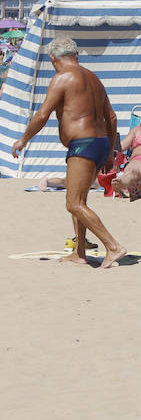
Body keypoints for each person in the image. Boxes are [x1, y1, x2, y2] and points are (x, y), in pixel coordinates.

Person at [11, 38, 126, 269]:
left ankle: (113, 247)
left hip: (84, 144)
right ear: (76, 55)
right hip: (102, 141)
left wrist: (23, 139)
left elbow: (43, 114)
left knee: (73, 203)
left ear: (52, 58)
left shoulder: (62, 77)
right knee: (79, 198)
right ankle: (80, 252)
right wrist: (112, 152)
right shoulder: (94, 78)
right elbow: (111, 117)